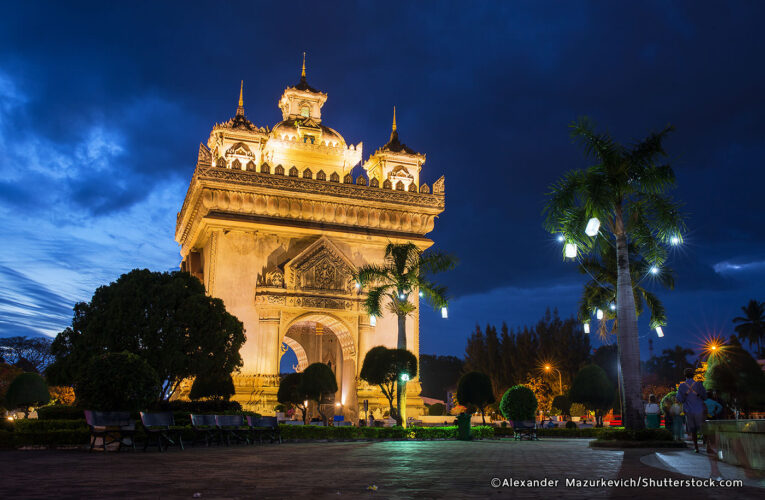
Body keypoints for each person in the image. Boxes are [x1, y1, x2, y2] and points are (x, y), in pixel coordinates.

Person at [676, 367, 707, 453]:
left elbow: (680, 399)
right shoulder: (699, 384)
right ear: (693, 375)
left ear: (685, 375)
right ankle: (708, 446)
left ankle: (696, 447)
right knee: (703, 428)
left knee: (693, 430)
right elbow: (705, 396)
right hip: (699, 409)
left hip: (689, 410)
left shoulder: (682, 386)